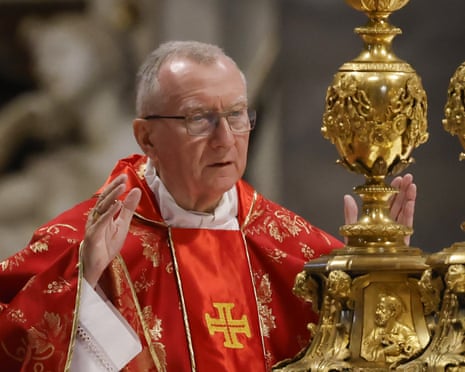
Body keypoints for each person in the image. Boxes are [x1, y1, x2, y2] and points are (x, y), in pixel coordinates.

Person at [0, 40, 416, 372]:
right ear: (146, 138)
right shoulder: (84, 242)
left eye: (236, 115)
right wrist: (82, 284)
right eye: (199, 119)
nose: (225, 138)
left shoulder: (298, 249)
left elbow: (376, 355)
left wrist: (376, 283)